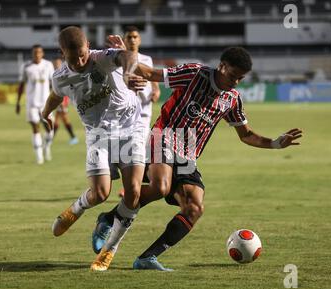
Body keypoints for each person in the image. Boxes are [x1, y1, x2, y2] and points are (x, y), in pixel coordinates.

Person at [92, 46, 303, 271]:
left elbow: (246, 135)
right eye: (233, 76)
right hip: (163, 137)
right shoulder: (194, 74)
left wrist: (275, 143)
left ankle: (145, 257)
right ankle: (109, 219)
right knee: (161, 187)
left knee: (194, 208)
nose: (236, 82)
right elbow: (153, 74)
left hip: (187, 154)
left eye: (240, 78)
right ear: (222, 66)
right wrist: (125, 58)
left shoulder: (232, 99)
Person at [41, 26, 148, 271]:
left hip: (130, 129)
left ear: (88, 45)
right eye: (73, 57)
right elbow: (56, 95)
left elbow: (126, 56)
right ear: (62, 53)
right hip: (98, 135)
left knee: (132, 193)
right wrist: (45, 113)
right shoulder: (60, 76)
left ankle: (108, 251)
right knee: (100, 194)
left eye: (82, 54)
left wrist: (129, 72)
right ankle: (75, 209)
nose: (79, 61)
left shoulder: (102, 58)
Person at [107, 27, 161, 199]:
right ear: (125, 39)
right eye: (129, 37)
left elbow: (154, 83)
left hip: (143, 112)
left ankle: (130, 186)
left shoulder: (146, 59)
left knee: (136, 149)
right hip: (123, 113)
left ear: (140, 40)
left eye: (135, 37)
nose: (132, 40)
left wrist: (156, 92)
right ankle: (121, 175)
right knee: (124, 148)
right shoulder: (116, 60)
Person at [16, 44, 55, 164]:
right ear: (32, 54)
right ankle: (39, 158)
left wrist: (57, 100)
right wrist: (18, 102)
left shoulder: (48, 65)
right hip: (32, 103)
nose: (37, 54)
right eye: (34, 53)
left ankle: (47, 146)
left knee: (49, 129)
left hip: (46, 103)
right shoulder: (26, 66)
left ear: (42, 53)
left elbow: (53, 84)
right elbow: (21, 84)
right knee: (35, 127)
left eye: (39, 52)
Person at [51, 58, 79, 145]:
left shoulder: (63, 74)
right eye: (55, 64)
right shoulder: (55, 74)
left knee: (61, 118)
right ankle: (72, 137)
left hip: (63, 99)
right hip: (58, 99)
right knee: (61, 119)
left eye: (58, 64)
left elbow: (67, 88)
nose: (56, 65)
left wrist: (63, 102)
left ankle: (51, 138)